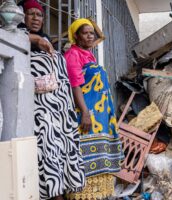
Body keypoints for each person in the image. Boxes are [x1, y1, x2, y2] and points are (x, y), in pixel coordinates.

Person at [21, 0, 85, 199]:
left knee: (63, 149)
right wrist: (32, 39)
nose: (35, 18)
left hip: (60, 110)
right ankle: (54, 194)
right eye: (30, 14)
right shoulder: (17, 36)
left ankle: (65, 191)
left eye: (39, 15)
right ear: (22, 16)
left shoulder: (46, 39)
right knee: (46, 152)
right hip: (40, 111)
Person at [64, 18, 124, 199]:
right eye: (85, 33)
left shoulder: (88, 54)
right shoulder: (73, 54)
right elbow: (75, 85)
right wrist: (85, 113)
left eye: (92, 33)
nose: (90, 36)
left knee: (100, 157)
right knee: (83, 157)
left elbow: (101, 37)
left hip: (101, 118)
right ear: (76, 36)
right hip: (86, 115)